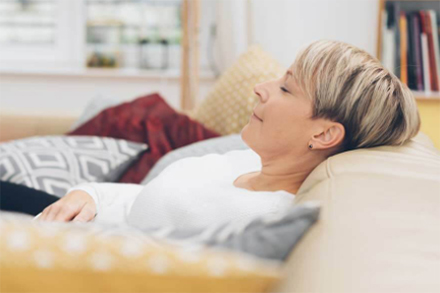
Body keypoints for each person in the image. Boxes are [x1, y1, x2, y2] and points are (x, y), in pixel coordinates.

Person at [33, 39, 420, 231]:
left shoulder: (258, 218)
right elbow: (144, 201)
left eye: (286, 88)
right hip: (80, 215)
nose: (261, 88)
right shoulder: (248, 162)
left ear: (324, 135)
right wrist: (91, 193)